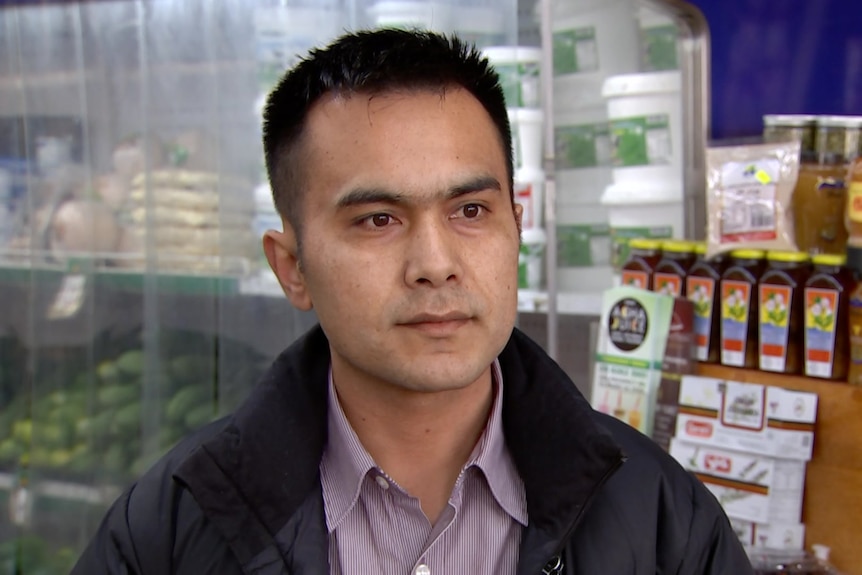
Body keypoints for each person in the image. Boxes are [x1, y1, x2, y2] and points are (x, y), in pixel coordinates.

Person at [72, 28, 753, 574]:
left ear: (515, 228)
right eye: (378, 219)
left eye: (471, 209)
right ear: (292, 267)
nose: (435, 265)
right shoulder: (170, 527)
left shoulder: (660, 519)